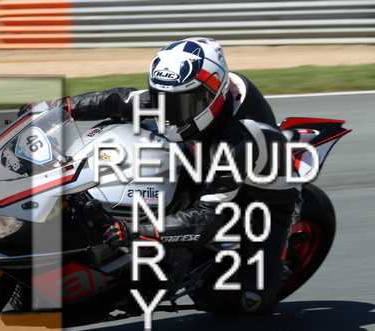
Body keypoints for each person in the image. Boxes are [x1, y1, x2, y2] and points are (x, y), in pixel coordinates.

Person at [19, 37, 301, 315]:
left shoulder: (239, 140)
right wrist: (53, 108)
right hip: (201, 157)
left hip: (260, 198)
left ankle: (262, 266)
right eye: (162, 98)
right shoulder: (187, 92)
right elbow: (117, 101)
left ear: (212, 95)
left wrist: (133, 231)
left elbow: (205, 219)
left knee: (248, 300)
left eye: (181, 103)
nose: (168, 111)